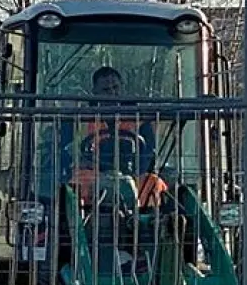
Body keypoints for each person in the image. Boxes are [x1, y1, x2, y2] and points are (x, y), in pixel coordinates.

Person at [63, 66, 168, 207]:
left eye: (115, 88)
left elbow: (148, 153)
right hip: (91, 175)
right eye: (106, 90)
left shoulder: (138, 117)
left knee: (154, 183)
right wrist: (81, 160)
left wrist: (136, 169)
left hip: (132, 175)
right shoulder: (81, 118)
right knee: (72, 187)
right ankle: (78, 221)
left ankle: (155, 222)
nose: (112, 93)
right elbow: (67, 150)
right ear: (94, 92)